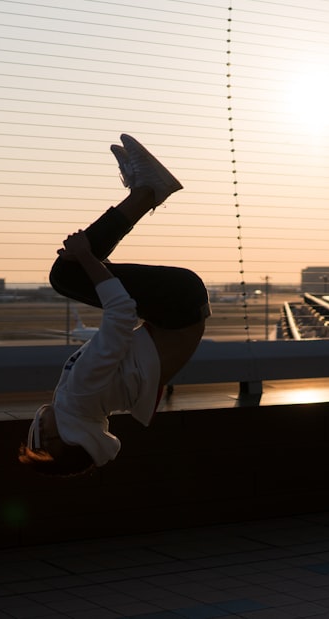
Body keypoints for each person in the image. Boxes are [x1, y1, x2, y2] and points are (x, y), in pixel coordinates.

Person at [19, 134, 211, 476]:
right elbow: (121, 312)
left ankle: (146, 191)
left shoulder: (91, 408)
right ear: (68, 435)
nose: (40, 431)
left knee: (71, 273)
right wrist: (86, 256)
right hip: (178, 303)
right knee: (68, 273)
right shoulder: (80, 395)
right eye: (48, 439)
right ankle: (146, 192)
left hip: (179, 311)